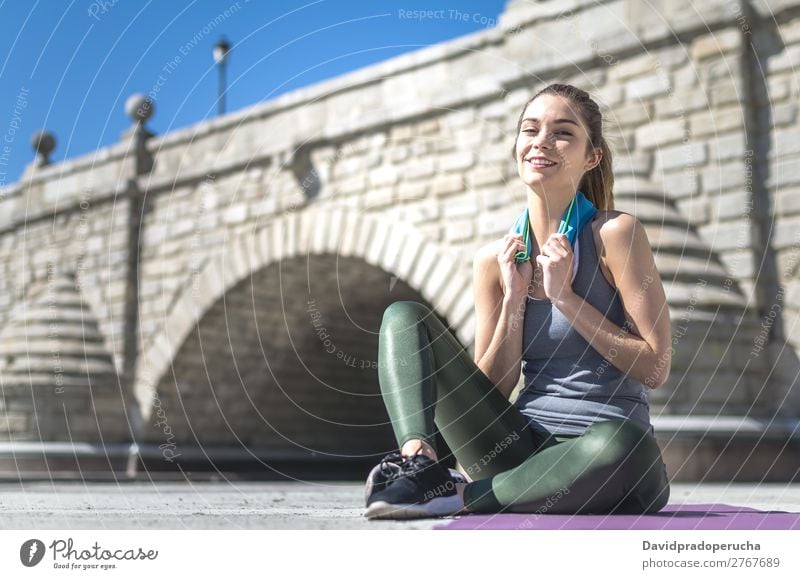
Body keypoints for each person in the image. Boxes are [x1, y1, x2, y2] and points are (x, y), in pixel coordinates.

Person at [363, 83, 672, 520]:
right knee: (403, 315)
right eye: (531, 130)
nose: (542, 141)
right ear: (517, 148)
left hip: (604, 456)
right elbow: (489, 392)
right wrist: (513, 302)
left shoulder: (615, 234)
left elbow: (656, 367)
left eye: (562, 132)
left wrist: (565, 298)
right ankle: (418, 464)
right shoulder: (494, 260)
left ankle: (463, 496)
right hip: (517, 450)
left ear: (592, 157)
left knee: (621, 444)